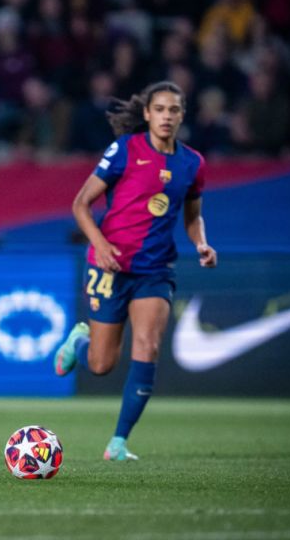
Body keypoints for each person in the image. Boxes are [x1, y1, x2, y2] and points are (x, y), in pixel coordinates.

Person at [54, 81, 217, 461]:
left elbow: (193, 218)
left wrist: (201, 243)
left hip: (155, 270)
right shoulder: (125, 150)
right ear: (147, 113)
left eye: (173, 110)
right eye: (159, 109)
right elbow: (81, 204)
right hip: (109, 266)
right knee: (100, 364)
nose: (166, 116)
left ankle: (119, 443)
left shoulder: (192, 163)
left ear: (181, 116)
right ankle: (80, 340)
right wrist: (100, 243)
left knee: (148, 345)